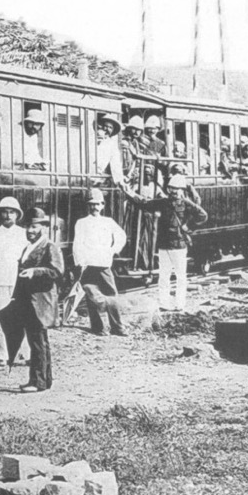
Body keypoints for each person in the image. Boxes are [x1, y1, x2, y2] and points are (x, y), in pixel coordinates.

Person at [122, 174, 208, 312]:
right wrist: (129, 193)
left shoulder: (186, 203)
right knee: (164, 276)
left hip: (179, 245)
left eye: (177, 189)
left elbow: (203, 215)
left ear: (182, 190)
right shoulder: (162, 202)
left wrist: (189, 226)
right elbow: (144, 203)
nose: (174, 191)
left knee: (180, 277)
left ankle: (180, 304)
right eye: (171, 188)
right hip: (164, 245)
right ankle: (164, 304)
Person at [4, 207, 63, 392]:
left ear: (43, 227)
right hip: (28, 302)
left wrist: (35, 272)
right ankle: (44, 380)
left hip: (40, 302)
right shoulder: (28, 247)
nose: (30, 230)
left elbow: (57, 271)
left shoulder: (50, 246)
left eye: (34, 227)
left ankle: (37, 382)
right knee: (37, 341)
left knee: (38, 341)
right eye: (28, 227)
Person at [72, 188, 127, 336]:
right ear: (87, 206)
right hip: (88, 265)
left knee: (111, 295)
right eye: (91, 204)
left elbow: (121, 236)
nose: (94, 207)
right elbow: (77, 244)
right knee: (91, 298)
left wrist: (113, 249)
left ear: (102, 205)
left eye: (97, 204)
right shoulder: (81, 223)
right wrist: (80, 262)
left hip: (104, 264)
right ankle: (98, 328)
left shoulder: (108, 222)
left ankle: (117, 327)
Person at [0, 196, 28, 366]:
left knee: (22, 318)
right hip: (1, 282)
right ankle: (4, 355)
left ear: (17, 215)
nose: (8, 215)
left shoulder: (23, 234)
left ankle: (26, 353)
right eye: (5, 212)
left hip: (19, 283)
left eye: (12, 212)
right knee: (2, 320)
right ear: (0, 214)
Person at [94, 114, 124, 185]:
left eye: (110, 127)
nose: (107, 129)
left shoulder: (112, 144)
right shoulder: (91, 139)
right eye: (105, 126)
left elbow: (116, 163)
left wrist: (120, 180)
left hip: (98, 177)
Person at [120, 116, 144, 183]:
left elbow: (137, 156)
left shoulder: (135, 142)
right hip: (122, 172)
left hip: (130, 174)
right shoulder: (122, 140)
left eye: (139, 130)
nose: (137, 132)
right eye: (134, 129)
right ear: (129, 128)